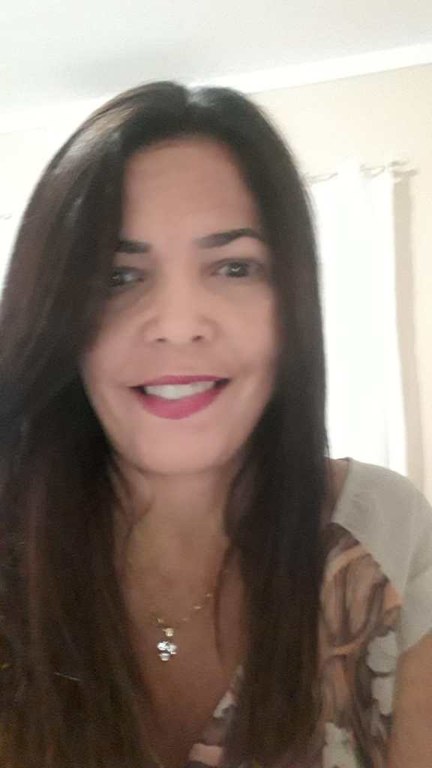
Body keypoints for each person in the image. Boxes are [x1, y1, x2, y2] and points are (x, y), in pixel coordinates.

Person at [0, 81, 430, 768]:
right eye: (118, 276)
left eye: (234, 267)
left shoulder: (382, 534)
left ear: (291, 307)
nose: (178, 325)